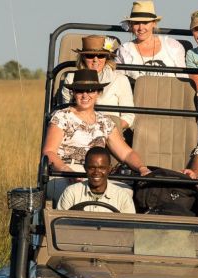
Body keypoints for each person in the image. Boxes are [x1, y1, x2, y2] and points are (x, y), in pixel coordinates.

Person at [42, 69, 151, 203]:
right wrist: (68, 171)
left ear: (98, 93)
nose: (85, 95)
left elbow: (126, 153)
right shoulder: (61, 117)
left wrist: (142, 168)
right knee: (78, 193)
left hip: (97, 172)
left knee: (125, 193)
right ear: (73, 93)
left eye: (90, 90)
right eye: (80, 91)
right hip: (64, 172)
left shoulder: (105, 122)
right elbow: (49, 152)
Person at [61, 35, 135, 131]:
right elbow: (66, 111)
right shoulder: (71, 78)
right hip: (78, 130)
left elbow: (128, 116)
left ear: (107, 57)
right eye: (90, 56)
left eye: (100, 55)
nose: (95, 59)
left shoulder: (120, 79)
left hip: (111, 132)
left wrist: (108, 130)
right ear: (83, 57)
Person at [115, 1, 186, 79]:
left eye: (145, 22)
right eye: (136, 23)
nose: (140, 28)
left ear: (154, 23)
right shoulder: (124, 50)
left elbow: (183, 80)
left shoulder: (172, 46)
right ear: (131, 25)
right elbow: (119, 82)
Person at [58, 146, 136, 213]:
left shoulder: (123, 197)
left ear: (109, 169)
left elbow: (129, 228)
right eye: (92, 168)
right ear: (85, 168)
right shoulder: (71, 193)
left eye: (102, 168)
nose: (96, 172)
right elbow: (59, 226)